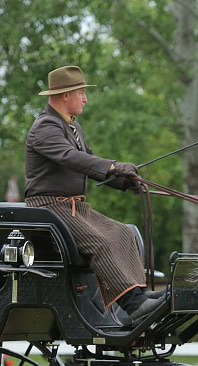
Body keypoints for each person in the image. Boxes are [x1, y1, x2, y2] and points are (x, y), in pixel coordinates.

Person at [24, 65, 162, 321]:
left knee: (123, 232)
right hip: (48, 208)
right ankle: (133, 305)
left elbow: (88, 163)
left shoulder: (72, 127)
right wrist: (113, 166)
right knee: (101, 242)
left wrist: (123, 181)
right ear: (66, 95)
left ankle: (138, 292)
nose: (86, 98)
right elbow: (71, 158)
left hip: (73, 207)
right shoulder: (45, 127)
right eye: (82, 93)